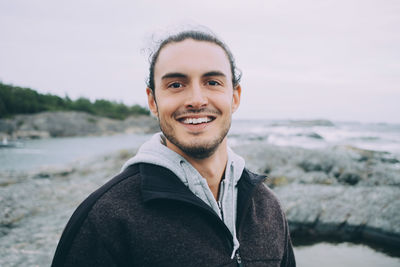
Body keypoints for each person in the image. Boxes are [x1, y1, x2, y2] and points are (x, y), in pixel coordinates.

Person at [51, 30, 296, 267]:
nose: (197, 100)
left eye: (212, 82)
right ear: (152, 101)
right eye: (176, 85)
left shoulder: (267, 207)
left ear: (235, 97)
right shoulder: (106, 218)